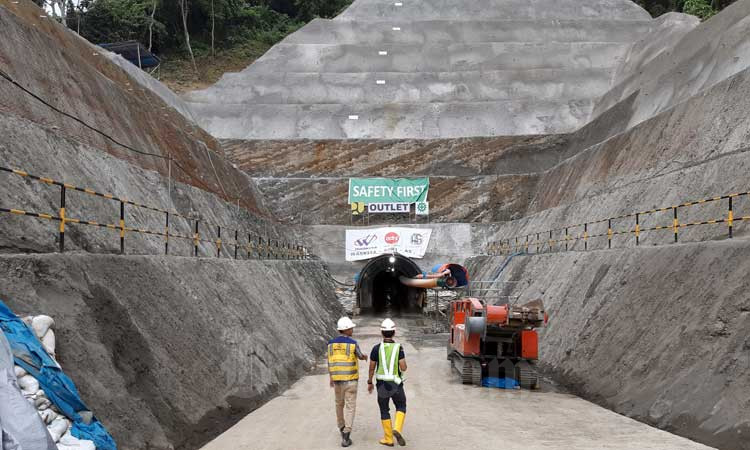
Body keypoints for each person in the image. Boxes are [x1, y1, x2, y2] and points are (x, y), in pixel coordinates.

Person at [328, 316, 368, 447]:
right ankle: (346, 434)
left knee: (339, 404)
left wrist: (331, 377)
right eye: (351, 328)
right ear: (346, 330)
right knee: (350, 407)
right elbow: (360, 355)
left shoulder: (331, 344)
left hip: (337, 380)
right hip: (351, 381)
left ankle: (341, 426)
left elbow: (330, 361)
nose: (353, 330)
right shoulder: (352, 343)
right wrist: (364, 357)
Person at [368, 318, 407, 447]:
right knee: (401, 406)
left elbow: (372, 367)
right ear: (394, 332)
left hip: (382, 385)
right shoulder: (398, 348)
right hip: (396, 385)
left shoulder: (376, 348)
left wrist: (369, 381)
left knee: (384, 410)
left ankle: (388, 439)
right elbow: (403, 367)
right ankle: (397, 428)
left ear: (382, 332)